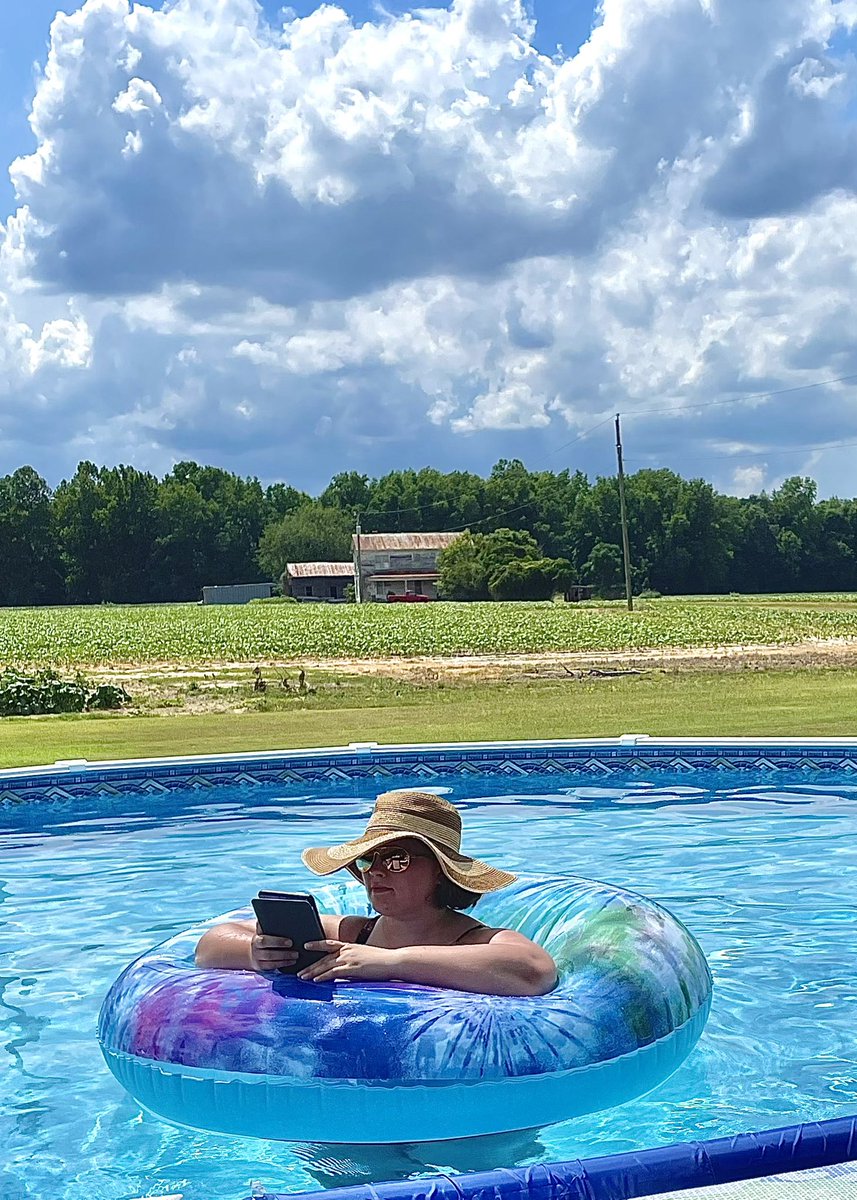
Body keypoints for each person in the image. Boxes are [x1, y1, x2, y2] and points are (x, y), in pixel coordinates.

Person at [195, 789, 557, 996]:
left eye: (397, 858)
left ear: (439, 872)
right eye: (368, 859)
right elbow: (210, 945)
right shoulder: (353, 933)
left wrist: (391, 963)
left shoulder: (473, 940)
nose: (377, 871)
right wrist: (256, 953)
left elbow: (535, 970)